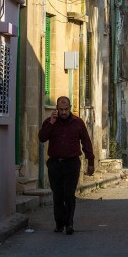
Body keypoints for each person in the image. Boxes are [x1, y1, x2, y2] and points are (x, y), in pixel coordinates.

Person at [38, 96, 95, 235]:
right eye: (61, 109)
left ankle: (69, 223)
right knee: (57, 195)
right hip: (55, 164)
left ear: (70, 108)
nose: (63, 112)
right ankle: (59, 223)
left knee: (69, 194)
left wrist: (91, 162)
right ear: (57, 109)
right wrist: (50, 123)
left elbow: (86, 142)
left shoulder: (78, 123)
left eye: (66, 109)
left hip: (72, 163)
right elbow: (42, 137)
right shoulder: (50, 122)